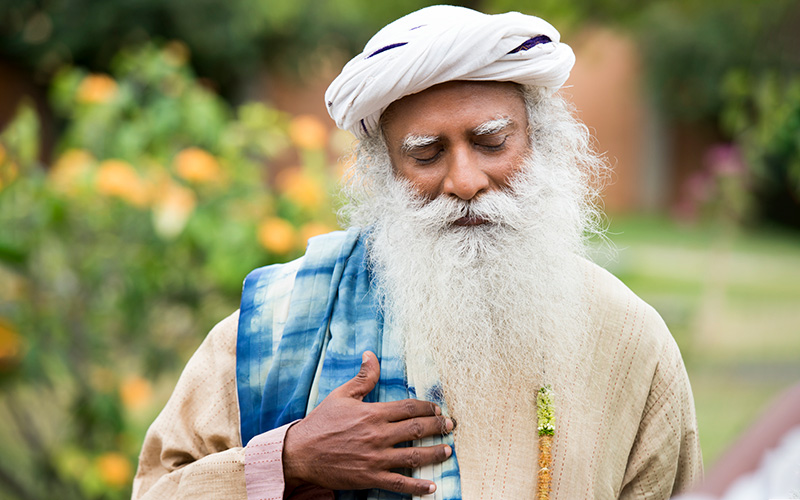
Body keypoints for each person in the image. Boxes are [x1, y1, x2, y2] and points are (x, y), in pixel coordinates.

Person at [132, 6, 703, 500]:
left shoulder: (630, 342)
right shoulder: (278, 324)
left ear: (540, 142)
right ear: (386, 173)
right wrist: (288, 461)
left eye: (491, 142)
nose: (464, 179)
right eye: (427, 155)